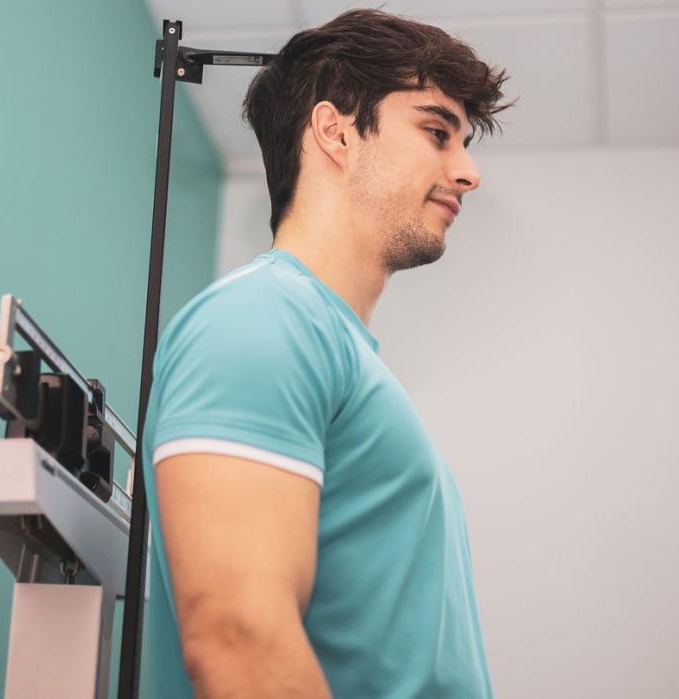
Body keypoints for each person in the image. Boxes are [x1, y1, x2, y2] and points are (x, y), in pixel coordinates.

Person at [139, 9, 511, 698]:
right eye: (437, 132)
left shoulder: (334, 348)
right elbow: (238, 637)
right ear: (336, 131)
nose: (468, 172)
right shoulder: (261, 320)